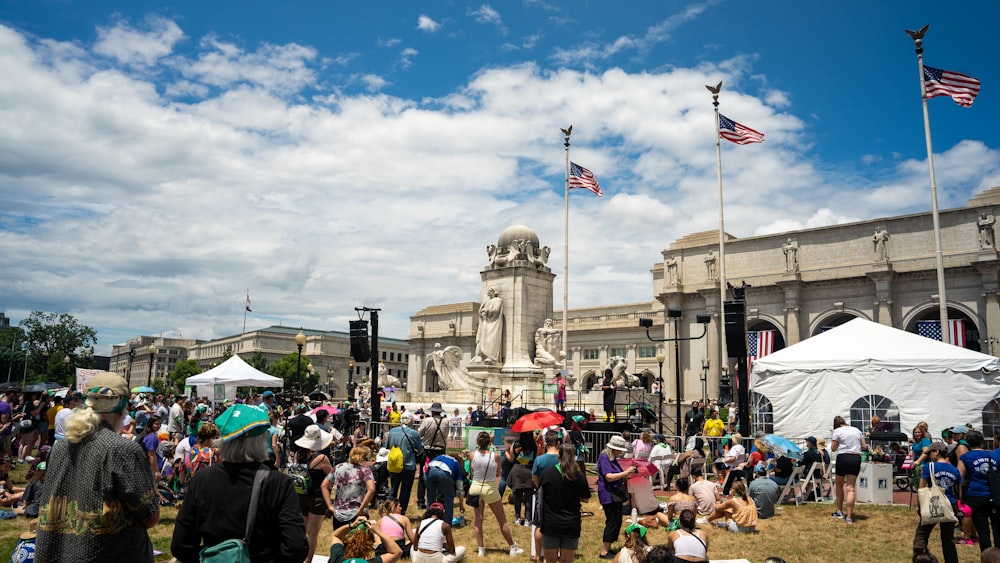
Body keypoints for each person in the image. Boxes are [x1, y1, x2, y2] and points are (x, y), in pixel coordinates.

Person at [36, 372, 161, 561]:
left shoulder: (60, 447)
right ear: (122, 410)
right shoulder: (122, 449)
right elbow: (150, 515)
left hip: (62, 553)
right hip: (107, 553)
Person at [172, 403, 308, 562]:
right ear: (262, 439)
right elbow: (296, 547)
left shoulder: (202, 479)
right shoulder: (278, 483)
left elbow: (181, 545)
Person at [468, 431, 523, 557]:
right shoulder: (495, 456)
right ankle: (512, 546)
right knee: (502, 520)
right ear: (489, 443)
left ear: (478, 442)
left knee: (478, 520)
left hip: (476, 487)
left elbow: (472, 469)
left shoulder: (472, 455)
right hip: (490, 487)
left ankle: (481, 548)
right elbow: (498, 473)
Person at [539, 443, 591, 563]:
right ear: (574, 457)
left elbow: (542, 492)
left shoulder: (547, 473)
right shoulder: (579, 476)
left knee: (549, 560)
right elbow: (586, 498)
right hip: (571, 523)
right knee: (566, 561)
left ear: (558, 456)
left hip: (550, 522)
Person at [913, 442, 960, 563]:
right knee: (948, 538)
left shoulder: (929, 466)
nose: (930, 456)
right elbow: (958, 490)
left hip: (932, 503)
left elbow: (922, 488)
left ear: (937, 452)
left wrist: (919, 506)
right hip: (950, 505)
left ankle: (920, 558)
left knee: (922, 534)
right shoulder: (955, 470)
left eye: (931, 453)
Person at [295, 423, 335, 562]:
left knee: (303, 531)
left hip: (301, 496)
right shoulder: (322, 459)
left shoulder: (298, 455)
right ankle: (308, 561)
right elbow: (332, 476)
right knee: (313, 534)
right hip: (317, 498)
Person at [959, 430, 1000, 551]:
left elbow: (959, 477)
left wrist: (961, 497)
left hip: (975, 495)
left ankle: (986, 555)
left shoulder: (965, 457)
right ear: (982, 442)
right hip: (993, 495)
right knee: (997, 528)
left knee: (983, 531)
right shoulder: (994, 456)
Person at [598, 435, 634, 559]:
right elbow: (608, 476)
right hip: (608, 494)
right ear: (613, 449)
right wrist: (626, 473)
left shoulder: (612, 458)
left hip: (615, 494)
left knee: (617, 520)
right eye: (619, 450)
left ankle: (609, 547)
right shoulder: (604, 457)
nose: (620, 453)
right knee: (612, 522)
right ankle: (604, 551)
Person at [323, 445, 376, 530]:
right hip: (357, 513)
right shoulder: (365, 470)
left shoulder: (338, 467)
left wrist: (330, 506)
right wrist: (361, 509)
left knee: (338, 540)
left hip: (339, 513)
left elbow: (324, 485)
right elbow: (371, 489)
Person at [385, 413, 424, 514]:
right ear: (410, 421)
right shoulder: (413, 433)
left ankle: (389, 510)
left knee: (393, 488)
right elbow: (420, 448)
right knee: (405, 491)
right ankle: (401, 511)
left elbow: (387, 446)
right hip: (408, 464)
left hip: (394, 464)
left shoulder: (392, 431)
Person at [831, 415, 866, 525]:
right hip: (855, 457)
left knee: (839, 485)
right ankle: (849, 517)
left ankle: (840, 511)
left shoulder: (837, 431)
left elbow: (833, 448)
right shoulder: (856, 430)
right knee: (851, 488)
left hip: (843, 457)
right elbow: (864, 446)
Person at [329, 514, 403, 563]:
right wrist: (379, 531)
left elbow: (336, 536)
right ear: (369, 546)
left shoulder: (337, 558)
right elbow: (397, 552)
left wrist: (351, 525)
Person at [418, 402, 450, 509]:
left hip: (428, 451)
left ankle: (421, 500)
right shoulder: (446, 422)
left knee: (423, 476)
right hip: (440, 451)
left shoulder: (427, 421)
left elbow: (419, 434)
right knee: (441, 475)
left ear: (432, 411)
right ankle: (440, 499)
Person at [425, 452, 466, 525]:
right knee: (449, 499)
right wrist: (461, 505)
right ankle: (447, 523)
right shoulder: (457, 464)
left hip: (429, 470)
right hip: (444, 472)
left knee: (430, 498)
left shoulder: (441, 456)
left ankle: (428, 522)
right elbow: (460, 489)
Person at [507, 432, 536, 526]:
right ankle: (528, 519)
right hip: (529, 470)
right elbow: (536, 457)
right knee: (529, 497)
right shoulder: (534, 445)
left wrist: (506, 453)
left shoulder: (515, 444)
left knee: (517, 496)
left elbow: (511, 459)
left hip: (517, 470)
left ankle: (518, 518)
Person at [179, 420, 220, 485]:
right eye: (215, 438)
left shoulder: (187, 454)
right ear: (209, 439)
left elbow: (181, 480)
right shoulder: (214, 453)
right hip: (207, 491)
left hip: (191, 491)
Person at [473, 287, 504, 363]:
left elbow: (496, 310)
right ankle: (480, 355)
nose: (488, 292)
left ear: (494, 292)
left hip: (493, 323)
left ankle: (490, 356)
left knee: (491, 339)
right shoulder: (486, 301)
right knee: (482, 339)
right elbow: (480, 310)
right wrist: (482, 312)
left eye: (491, 290)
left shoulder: (498, 300)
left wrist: (486, 311)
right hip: (484, 322)